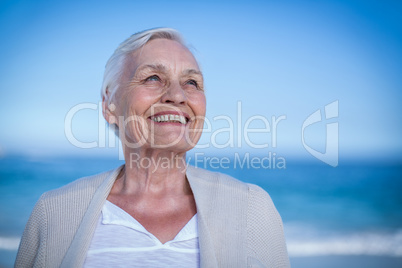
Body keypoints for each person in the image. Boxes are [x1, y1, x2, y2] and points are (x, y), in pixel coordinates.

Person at [15, 28, 290, 267]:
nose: (177, 96)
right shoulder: (53, 213)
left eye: (191, 82)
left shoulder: (252, 209)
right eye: (153, 78)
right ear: (109, 105)